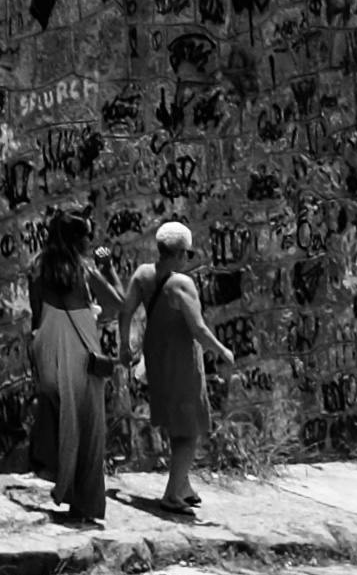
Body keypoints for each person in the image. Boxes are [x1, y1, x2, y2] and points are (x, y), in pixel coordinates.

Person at [125, 216, 231, 515]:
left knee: (176, 423)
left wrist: (124, 345)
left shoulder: (144, 275)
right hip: (181, 361)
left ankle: (182, 484)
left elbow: (125, 311)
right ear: (181, 253)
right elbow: (197, 328)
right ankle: (172, 495)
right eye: (189, 253)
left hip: (156, 358)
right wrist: (222, 350)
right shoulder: (182, 283)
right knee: (189, 429)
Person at [28, 206, 114, 526]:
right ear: (77, 239)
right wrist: (107, 268)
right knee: (89, 426)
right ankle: (84, 502)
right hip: (82, 352)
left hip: (48, 347)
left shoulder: (36, 268)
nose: (91, 240)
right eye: (88, 235)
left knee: (60, 419)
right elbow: (117, 304)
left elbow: (36, 317)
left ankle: (58, 478)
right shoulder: (86, 271)